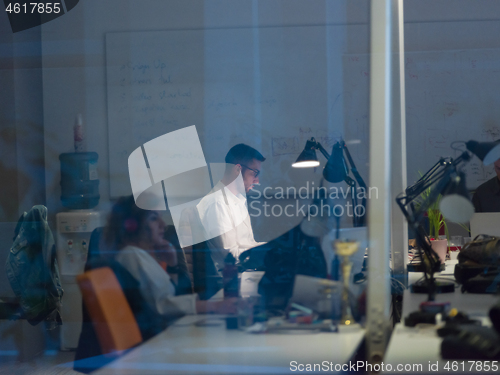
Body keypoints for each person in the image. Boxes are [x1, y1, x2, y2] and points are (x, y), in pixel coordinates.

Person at [104, 195, 236, 316]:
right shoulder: (131, 255)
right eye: (154, 218)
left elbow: (172, 296)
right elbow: (162, 306)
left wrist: (172, 266)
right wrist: (214, 306)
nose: (163, 225)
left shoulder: (140, 255)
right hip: (158, 338)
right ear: (131, 226)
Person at [196, 144, 266, 271]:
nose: (257, 181)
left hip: (245, 272)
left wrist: (272, 248)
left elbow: (248, 245)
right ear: (238, 170)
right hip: (230, 281)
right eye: (255, 173)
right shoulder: (216, 203)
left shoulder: (238, 200)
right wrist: (266, 253)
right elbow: (230, 255)